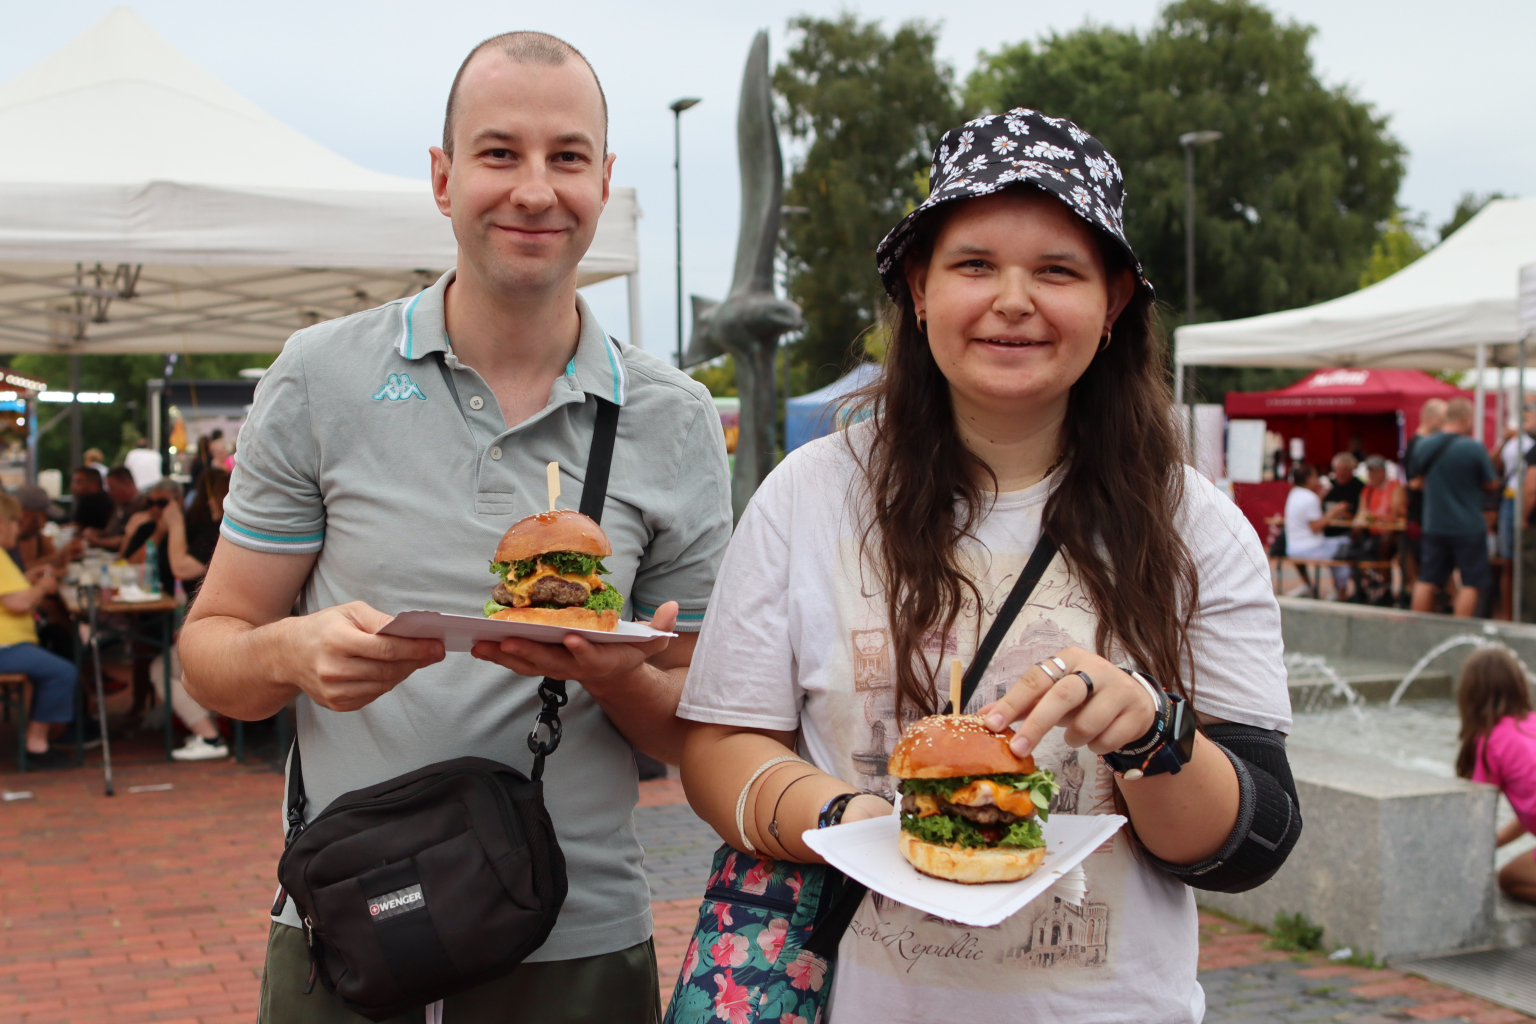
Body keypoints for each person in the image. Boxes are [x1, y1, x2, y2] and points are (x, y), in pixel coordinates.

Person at [674, 109, 1296, 1024]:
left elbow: (1246, 848)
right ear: (919, 289)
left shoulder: (1196, 525)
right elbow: (718, 750)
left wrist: (1148, 732)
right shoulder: (806, 496)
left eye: (1057, 270)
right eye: (974, 265)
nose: (1013, 300)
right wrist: (860, 824)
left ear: (1114, 303)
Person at [179, 30, 732, 1024]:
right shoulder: (318, 376)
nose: (533, 189)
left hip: (580, 936)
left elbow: (699, 730)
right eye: (497, 153)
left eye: (566, 157)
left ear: (604, 182)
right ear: (442, 178)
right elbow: (209, 657)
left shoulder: (676, 416)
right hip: (350, 928)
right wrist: (295, 652)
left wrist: (622, 674)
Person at [0, 493, 79, 769]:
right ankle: (36, 744)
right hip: (6, 646)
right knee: (62, 672)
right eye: (12, 522)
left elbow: (10, 590)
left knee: (55, 650)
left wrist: (28, 580)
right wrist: (42, 588)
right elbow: (18, 602)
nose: (16, 529)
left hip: (11, 643)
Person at [1454, 646, 1536, 903]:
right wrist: (1496, 842)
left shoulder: (1490, 742)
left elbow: (1476, 820)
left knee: (1509, 878)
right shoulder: (1532, 722)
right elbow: (1530, 811)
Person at [1409, 397, 1497, 617]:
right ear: (1467, 419)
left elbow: (1416, 480)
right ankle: (1459, 632)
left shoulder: (1423, 444)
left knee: (1427, 579)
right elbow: (1491, 483)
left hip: (1434, 523)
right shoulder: (1473, 447)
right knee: (1471, 581)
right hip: (1468, 525)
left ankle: (1413, 631)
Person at [1285, 463, 1353, 595]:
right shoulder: (1310, 498)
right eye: (1315, 475)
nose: (1317, 479)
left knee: (1338, 549)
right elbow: (1316, 527)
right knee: (1344, 547)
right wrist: (1334, 512)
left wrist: (1320, 497)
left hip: (1293, 547)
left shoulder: (1294, 493)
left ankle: (1310, 586)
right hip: (1310, 548)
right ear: (1308, 478)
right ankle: (1341, 593)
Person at [1403, 398, 1448, 591]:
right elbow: (1414, 482)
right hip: (1421, 514)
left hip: (1425, 513)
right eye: (1443, 419)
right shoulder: (1419, 445)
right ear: (1430, 418)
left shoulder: (1422, 443)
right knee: (1431, 567)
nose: (1446, 424)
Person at [1498, 403, 1535, 563]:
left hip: (1524, 502)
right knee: (1509, 559)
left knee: (1523, 560)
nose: (1526, 414)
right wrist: (1504, 441)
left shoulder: (1531, 444)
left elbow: (1531, 487)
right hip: (1511, 496)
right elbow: (1497, 465)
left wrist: (1523, 517)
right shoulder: (1515, 439)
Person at [83, 467, 142, 550]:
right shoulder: (120, 505)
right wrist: (94, 532)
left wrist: (98, 541)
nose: (109, 493)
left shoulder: (144, 504)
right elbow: (111, 532)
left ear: (127, 483)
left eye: (112, 488)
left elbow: (132, 538)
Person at [1321, 452, 1362, 538]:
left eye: (1346, 469)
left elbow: (1363, 516)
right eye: (1339, 469)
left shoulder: (1360, 487)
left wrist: (1345, 515)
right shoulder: (1326, 485)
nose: (1342, 472)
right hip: (1323, 531)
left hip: (1347, 533)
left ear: (1352, 470)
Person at [69, 467, 115, 533]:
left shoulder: (87, 500)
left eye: (78, 482)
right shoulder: (111, 499)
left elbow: (75, 527)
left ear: (94, 484)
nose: (73, 486)